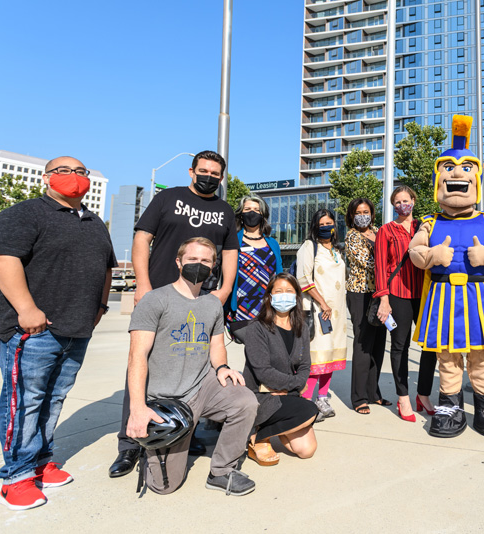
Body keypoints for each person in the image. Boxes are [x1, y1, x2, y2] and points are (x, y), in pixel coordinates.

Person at [0, 157, 115, 510]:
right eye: (64, 171)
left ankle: (42, 462)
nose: (74, 177)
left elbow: (106, 267)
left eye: (81, 172)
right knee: (25, 402)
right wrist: (27, 310)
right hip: (31, 330)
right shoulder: (25, 213)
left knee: (54, 399)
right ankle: (17, 476)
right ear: (46, 178)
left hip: (77, 328)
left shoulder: (94, 223)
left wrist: (100, 308)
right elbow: (3, 259)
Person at [110, 150, 239, 478]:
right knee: (143, 362)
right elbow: (142, 239)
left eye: (215, 173)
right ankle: (130, 443)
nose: (209, 176)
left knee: (192, 366)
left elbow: (230, 253)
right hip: (160, 295)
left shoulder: (224, 211)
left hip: (199, 299)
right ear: (192, 171)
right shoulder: (168, 198)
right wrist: (143, 284)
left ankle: (184, 430)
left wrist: (222, 292)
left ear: (221, 178)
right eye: (203, 170)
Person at [126, 237, 258, 496]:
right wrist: (138, 408)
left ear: (213, 265)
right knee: (164, 487)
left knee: (245, 401)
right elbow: (137, 356)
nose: (199, 265)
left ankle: (222, 470)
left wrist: (222, 368)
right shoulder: (155, 300)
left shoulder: (212, 304)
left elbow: (216, 345)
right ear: (178, 262)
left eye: (206, 261)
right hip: (166, 400)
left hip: (201, 387)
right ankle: (151, 450)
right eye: (193, 259)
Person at [409, 115, 484, 439]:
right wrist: (431, 257)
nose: (457, 174)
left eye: (467, 168)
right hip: (442, 298)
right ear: (437, 179)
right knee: (448, 355)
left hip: (478, 296)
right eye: (449, 169)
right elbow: (415, 252)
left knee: (481, 355)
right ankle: (450, 403)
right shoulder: (429, 222)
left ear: (477, 180)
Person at [233, 273, 318, 466]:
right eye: (278, 291)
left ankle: (258, 432)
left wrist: (294, 387)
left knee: (307, 450)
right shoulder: (257, 328)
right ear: (269, 297)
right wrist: (296, 386)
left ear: (297, 296)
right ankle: (257, 436)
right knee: (311, 409)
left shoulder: (301, 326)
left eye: (289, 291)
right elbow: (264, 372)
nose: (284, 295)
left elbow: (305, 365)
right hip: (261, 394)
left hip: (287, 393)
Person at [374, 186, 438, 420]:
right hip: (397, 294)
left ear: (413, 199)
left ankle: (423, 394)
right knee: (399, 346)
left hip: (425, 293)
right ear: (393, 206)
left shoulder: (425, 227)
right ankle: (403, 397)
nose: (402, 205)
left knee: (430, 345)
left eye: (406, 200)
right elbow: (380, 267)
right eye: (397, 202)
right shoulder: (386, 230)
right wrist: (383, 298)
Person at [296, 209, 349, 420]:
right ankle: (306, 402)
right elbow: (303, 279)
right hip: (318, 310)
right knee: (317, 357)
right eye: (322, 223)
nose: (326, 226)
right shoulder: (309, 247)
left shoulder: (336, 250)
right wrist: (322, 303)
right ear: (315, 226)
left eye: (330, 223)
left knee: (331, 356)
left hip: (337, 313)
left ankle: (323, 398)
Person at [345, 198, 386, 414]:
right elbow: (371, 264)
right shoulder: (352, 236)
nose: (363, 215)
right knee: (363, 345)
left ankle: (373, 393)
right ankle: (359, 397)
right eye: (358, 212)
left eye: (366, 211)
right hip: (360, 294)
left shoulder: (379, 231)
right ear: (352, 215)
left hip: (380, 293)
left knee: (379, 344)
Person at [227, 194, 283, 327]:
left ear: (263, 214)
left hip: (268, 306)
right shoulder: (232, 240)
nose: (252, 212)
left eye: (257, 210)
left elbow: (279, 274)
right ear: (241, 214)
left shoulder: (273, 243)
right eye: (247, 209)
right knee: (254, 346)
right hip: (241, 307)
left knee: (268, 346)